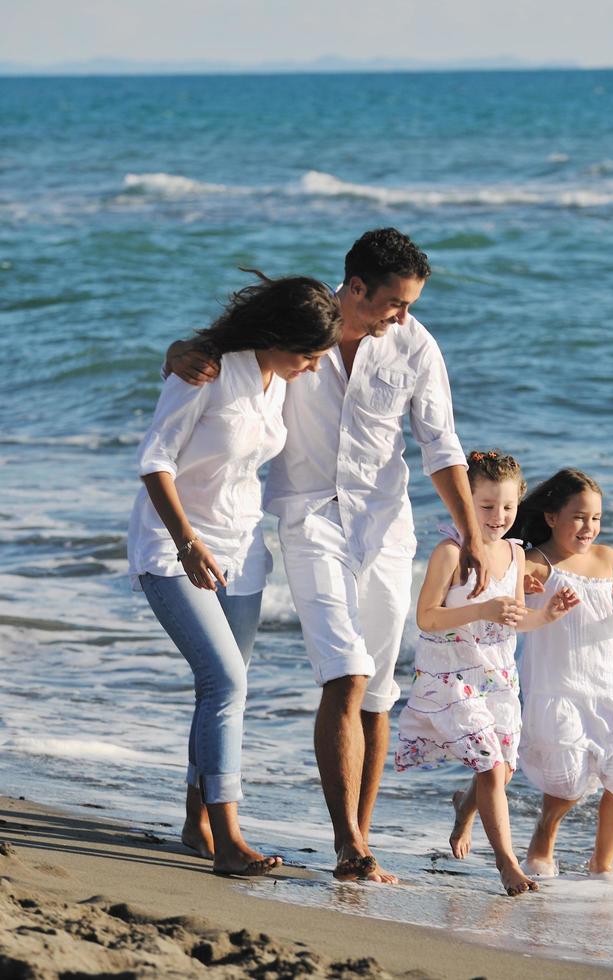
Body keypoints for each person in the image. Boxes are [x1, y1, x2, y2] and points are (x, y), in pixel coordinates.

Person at [165, 229, 486, 883]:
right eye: (394, 302)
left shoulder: (416, 345)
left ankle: (352, 837)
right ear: (356, 288)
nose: (403, 316)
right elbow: (217, 353)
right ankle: (349, 848)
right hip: (308, 518)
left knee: (377, 695)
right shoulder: (301, 324)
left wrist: (472, 535)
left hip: (388, 528)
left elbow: (440, 445)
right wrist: (179, 352)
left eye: (410, 305)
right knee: (344, 674)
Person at [128, 273, 340, 877]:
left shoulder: (280, 379)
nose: (315, 365)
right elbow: (154, 461)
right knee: (226, 684)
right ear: (274, 337)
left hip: (241, 551)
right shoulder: (208, 370)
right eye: (308, 352)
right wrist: (186, 542)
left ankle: (197, 824)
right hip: (175, 549)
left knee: (221, 688)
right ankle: (229, 840)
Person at [394, 450, 580, 896]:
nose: (499, 517)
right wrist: (481, 607)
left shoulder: (516, 556)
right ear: (465, 502)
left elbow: (514, 620)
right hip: (450, 675)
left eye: (508, 507)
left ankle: (465, 808)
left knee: (503, 769)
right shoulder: (450, 551)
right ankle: (507, 865)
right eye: (487, 506)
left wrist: (548, 615)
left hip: (496, 675)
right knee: (493, 767)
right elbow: (426, 617)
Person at [508, 467, 613, 877]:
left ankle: (602, 863)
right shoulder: (535, 563)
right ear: (552, 517)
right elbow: (505, 605)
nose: (588, 527)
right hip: (559, 689)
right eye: (578, 517)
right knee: (566, 784)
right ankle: (542, 841)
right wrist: (524, 590)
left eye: (595, 518)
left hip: (608, 688)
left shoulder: (608, 560)